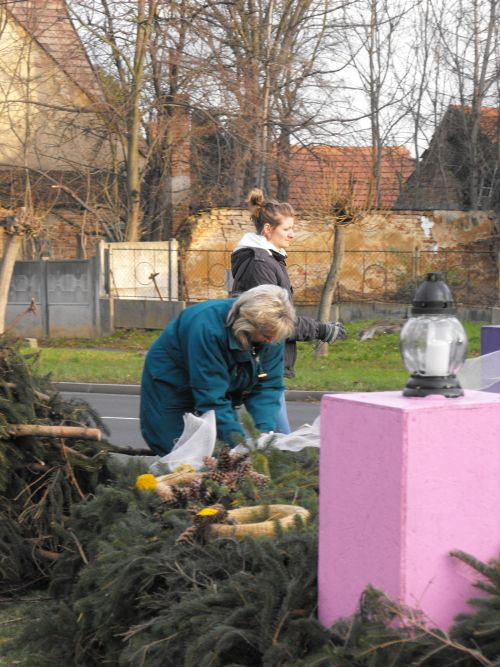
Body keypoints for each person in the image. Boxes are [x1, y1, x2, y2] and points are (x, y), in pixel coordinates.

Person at [231, 188, 346, 433]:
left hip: (268, 361)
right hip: (262, 362)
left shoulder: (270, 260)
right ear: (268, 230)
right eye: (287, 229)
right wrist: (321, 330)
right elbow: (273, 320)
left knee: (272, 440)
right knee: (276, 440)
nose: (293, 235)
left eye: (293, 228)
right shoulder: (259, 265)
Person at [140, 284, 296, 456]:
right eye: (266, 335)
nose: (271, 340)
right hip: (172, 382)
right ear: (247, 324)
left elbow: (268, 385)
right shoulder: (207, 328)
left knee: (223, 456)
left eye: (275, 336)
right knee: (181, 452)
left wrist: (264, 433)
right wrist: (238, 444)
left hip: (214, 380)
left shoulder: (273, 331)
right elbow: (211, 397)